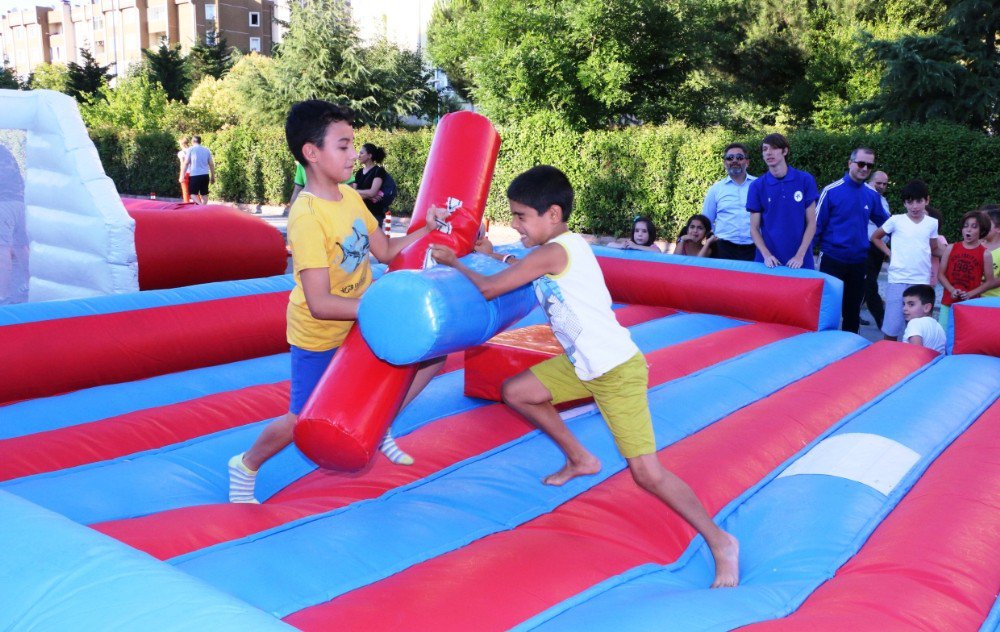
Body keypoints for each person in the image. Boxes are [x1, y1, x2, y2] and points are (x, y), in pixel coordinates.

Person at [429, 165, 740, 589]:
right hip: (582, 364)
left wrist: (455, 262)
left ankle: (721, 542)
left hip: (614, 370)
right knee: (517, 391)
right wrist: (493, 253)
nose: (516, 224)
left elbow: (489, 289)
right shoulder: (558, 247)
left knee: (647, 474)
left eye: (521, 216)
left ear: (552, 214)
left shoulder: (556, 250)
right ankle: (581, 458)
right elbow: (522, 265)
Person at [228, 101, 448, 503]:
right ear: (311, 153)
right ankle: (246, 465)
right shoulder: (307, 215)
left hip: (361, 318)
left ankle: (379, 424)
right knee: (303, 419)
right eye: (343, 147)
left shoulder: (349, 197)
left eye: (353, 146)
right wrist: (379, 309)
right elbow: (320, 303)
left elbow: (383, 250)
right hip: (321, 332)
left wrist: (426, 228)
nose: (353, 155)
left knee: (432, 361)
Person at [813, 148, 890, 333]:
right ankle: (822, 349)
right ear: (850, 163)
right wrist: (804, 256)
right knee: (827, 310)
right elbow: (815, 227)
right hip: (832, 259)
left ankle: (849, 352)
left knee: (852, 312)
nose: (865, 168)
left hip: (858, 261)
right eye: (861, 163)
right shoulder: (831, 191)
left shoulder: (871, 195)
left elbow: (889, 224)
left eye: (869, 165)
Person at [870, 179, 942, 341]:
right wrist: (889, 253)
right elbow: (876, 237)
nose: (914, 206)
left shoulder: (932, 223)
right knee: (892, 326)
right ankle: (887, 358)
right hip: (898, 279)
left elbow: (934, 248)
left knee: (918, 328)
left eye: (919, 201)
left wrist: (955, 251)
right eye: (910, 202)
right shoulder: (896, 220)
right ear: (904, 203)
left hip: (921, 281)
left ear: (927, 200)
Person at [746, 133, 819, 269]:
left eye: (774, 148)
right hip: (768, 262)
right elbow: (754, 228)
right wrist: (766, 255)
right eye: (765, 149)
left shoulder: (805, 180)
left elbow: (812, 223)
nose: (768, 153)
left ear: (785, 151)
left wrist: (800, 255)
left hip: (800, 261)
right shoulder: (757, 186)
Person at [701, 143, 757, 261]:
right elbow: (706, 221)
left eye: (739, 157)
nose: (734, 160)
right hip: (723, 249)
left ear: (747, 162)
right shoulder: (716, 189)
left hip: (754, 248)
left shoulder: (758, 185)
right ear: (725, 163)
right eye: (730, 158)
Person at [937, 210, 989, 327]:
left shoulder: (985, 254)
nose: (968, 230)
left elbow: (989, 282)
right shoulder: (950, 248)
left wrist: (970, 294)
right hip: (948, 302)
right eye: (965, 226)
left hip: (970, 303)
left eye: (974, 227)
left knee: (964, 335)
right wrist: (951, 290)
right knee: (943, 334)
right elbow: (940, 274)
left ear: (982, 230)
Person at [863, 171, 891, 328]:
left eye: (884, 184)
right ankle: (882, 318)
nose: (881, 186)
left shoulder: (883, 200)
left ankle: (853, 312)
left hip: (878, 248)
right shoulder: (864, 197)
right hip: (867, 246)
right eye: (878, 183)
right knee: (870, 283)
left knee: (864, 282)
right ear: (871, 182)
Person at [901, 284, 946, 354]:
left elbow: (916, 354)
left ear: (927, 308)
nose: (904, 308)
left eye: (911, 304)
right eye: (904, 304)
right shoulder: (939, 327)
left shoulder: (914, 323)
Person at [351, 143, 392, 220]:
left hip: (374, 215)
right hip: (360, 214)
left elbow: (372, 192)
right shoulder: (359, 172)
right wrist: (368, 196)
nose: (358, 155)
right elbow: (353, 194)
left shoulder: (379, 171)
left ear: (370, 156)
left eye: (361, 153)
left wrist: (356, 191)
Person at [180, 136, 215, 205]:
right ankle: (204, 207)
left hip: (195, 175)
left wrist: (182, 175)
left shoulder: (191, 149)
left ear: (192, 142)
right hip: (205, 175)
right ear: (200, 141)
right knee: (204, 194)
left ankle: (201, 206)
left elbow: (186, 163)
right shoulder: (206, 150)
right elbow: (211, 164)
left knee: (192, 194)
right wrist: (213, 176)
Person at [176, 137, 191, 203]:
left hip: (185, 173)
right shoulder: (193, 151)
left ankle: (186, 204)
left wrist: (181, 175)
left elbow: (183, 164)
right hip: (194, 172)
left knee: (185, 191)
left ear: (182, 144)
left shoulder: (181, 153)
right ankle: (199, 206)